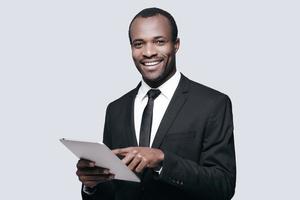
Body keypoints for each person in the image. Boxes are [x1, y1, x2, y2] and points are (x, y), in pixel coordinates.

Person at [76, 7, 236, 200]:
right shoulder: (115, 110)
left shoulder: (212, 104)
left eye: (159, 42)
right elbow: (112, 192)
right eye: (139, 44)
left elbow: (223, 186)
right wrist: (91, 185)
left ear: (176, 45)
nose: (148, 52)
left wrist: (162, 160)